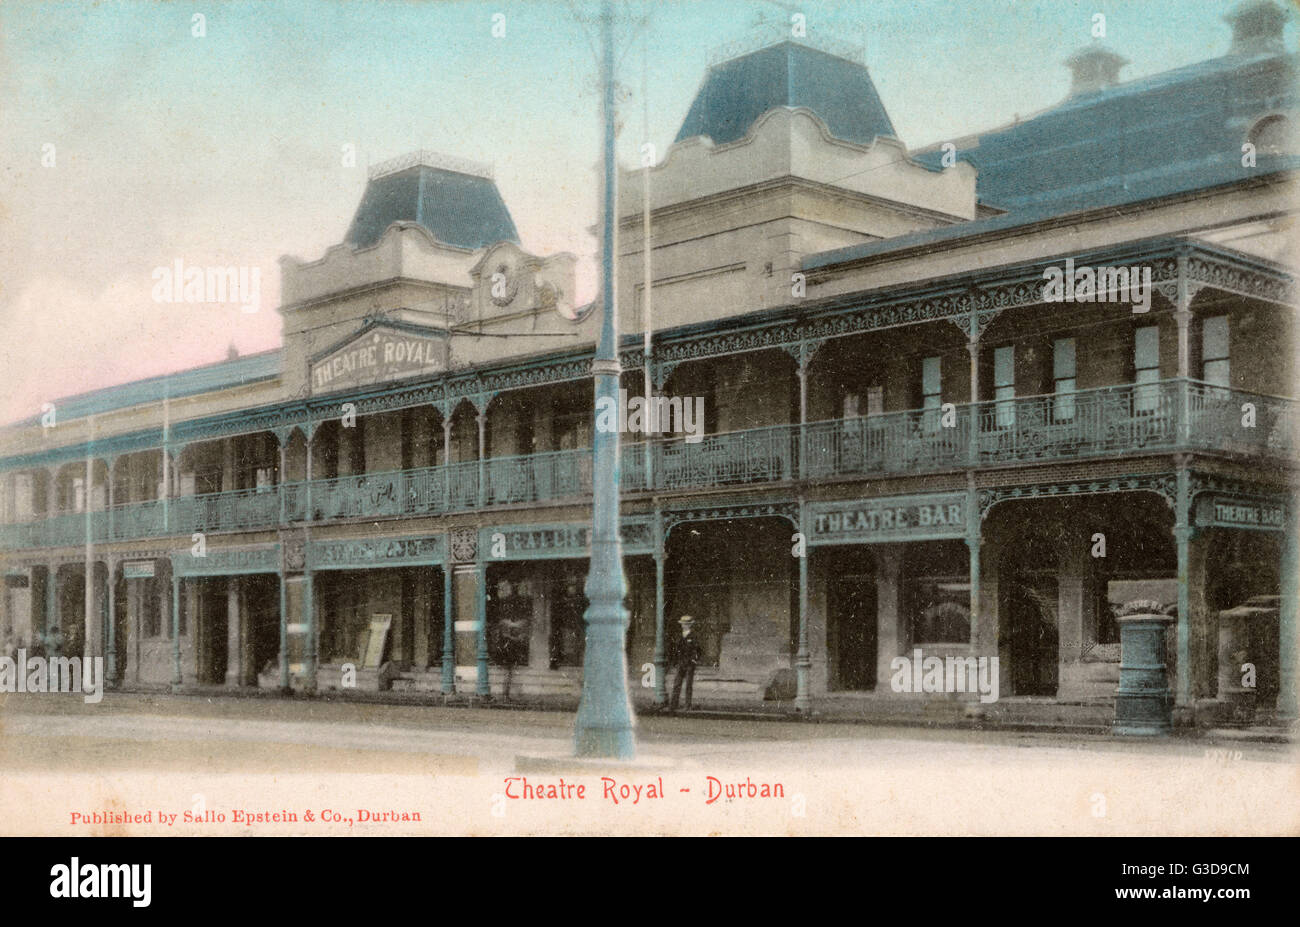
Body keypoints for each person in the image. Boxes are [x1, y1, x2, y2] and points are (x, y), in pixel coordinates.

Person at [669, 615, 701, 713]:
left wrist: (694, 660)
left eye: (686, 624)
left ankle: (687, 705)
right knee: (677, 684)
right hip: (680, 663)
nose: (684, 626)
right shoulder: (679, 636)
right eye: (683, 624)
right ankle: (673, 705)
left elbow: (698, 650)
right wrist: (675, 661)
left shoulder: (694, 636)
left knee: (688, 685)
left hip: (689, 664)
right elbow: (675, 649)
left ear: (690, 625)